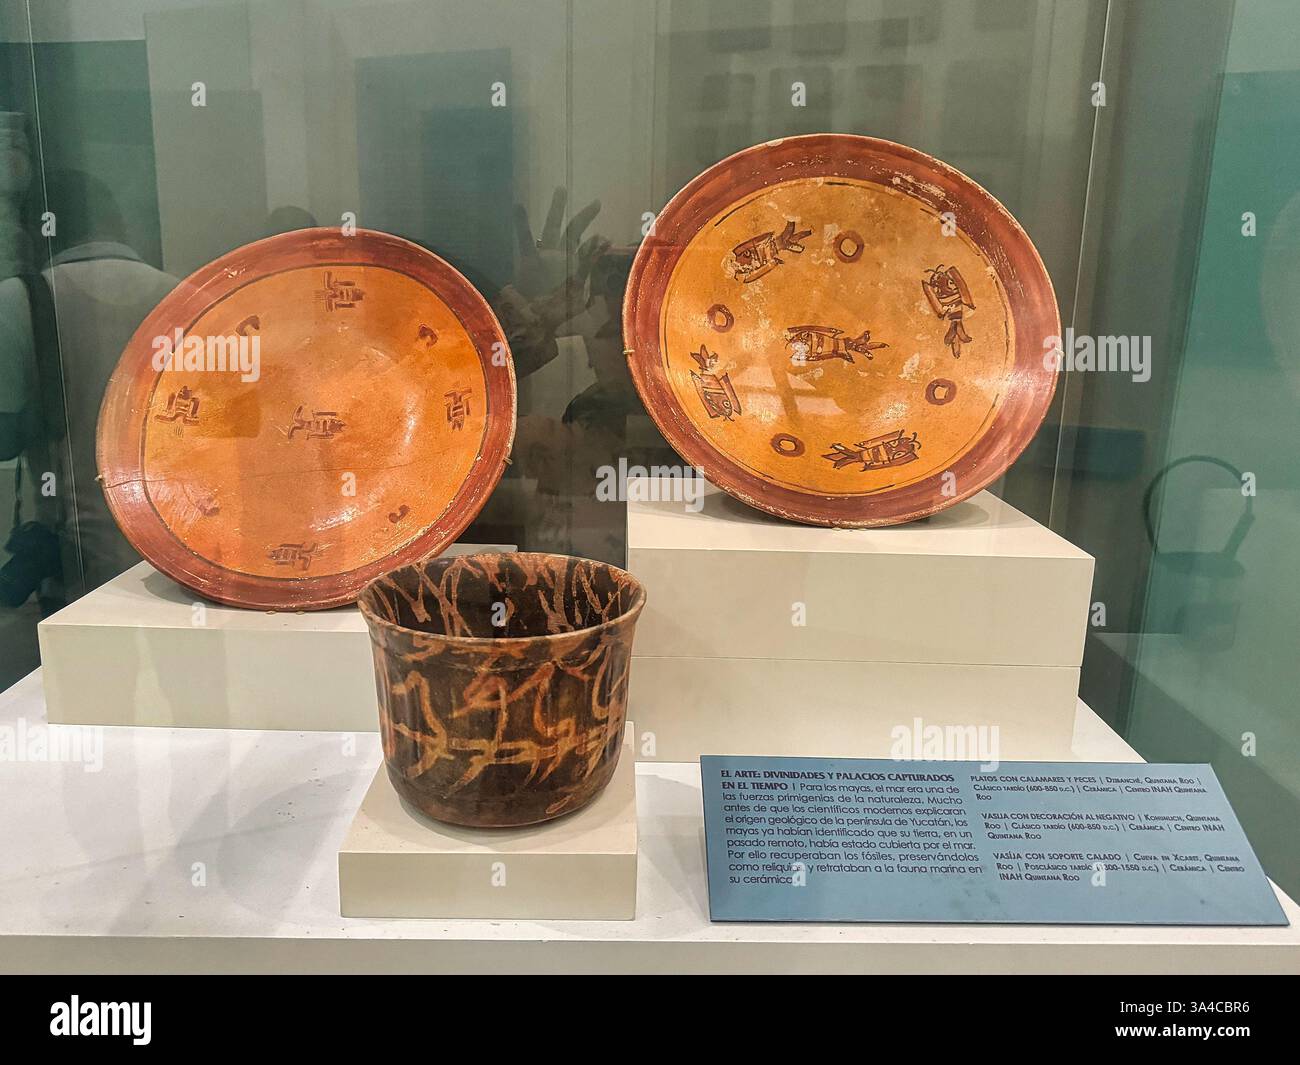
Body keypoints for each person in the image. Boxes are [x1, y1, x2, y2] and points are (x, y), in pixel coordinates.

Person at [0, 169, 176, 606]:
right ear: (116, 222)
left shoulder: (20, 298)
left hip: (75, 557)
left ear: (34, 226)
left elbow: (4, 440)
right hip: (173, 550)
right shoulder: (180, 296)